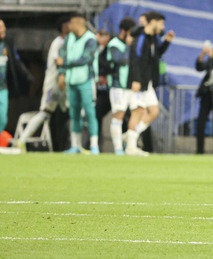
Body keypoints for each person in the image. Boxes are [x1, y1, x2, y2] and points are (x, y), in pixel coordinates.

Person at [18, 18, 71, 151]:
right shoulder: (58, 43)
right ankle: (21, 140)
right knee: (45, 112)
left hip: (63, 84)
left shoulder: (69, 42)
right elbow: (59, 62)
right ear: (64, 27)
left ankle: (71, 146)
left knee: (69, 113)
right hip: (54, 84)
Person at [126, 11, 174, 156]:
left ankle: (130, 137)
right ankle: (130, 147)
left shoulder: (152, 38)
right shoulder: (140, 38)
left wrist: (167, 42)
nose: (163, 27)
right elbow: (135, 59)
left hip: (148, 83)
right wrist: (136, 79)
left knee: (154, 112)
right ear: (153, 22)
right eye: (161, 23)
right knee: (137, 112)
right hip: (139, 81)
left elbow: (156, 55)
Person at [57, 14, 100, 155]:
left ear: (78, 24)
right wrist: (62, 73)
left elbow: (86, 58)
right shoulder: (69, 38)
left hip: (86, 80)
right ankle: (75, 145)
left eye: (71, 23)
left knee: (89, 112)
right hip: (72, 80)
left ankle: (94, 145)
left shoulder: (90, 39)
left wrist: (66, 64)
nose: (69, 26)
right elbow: (62, 55)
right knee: (73, 113)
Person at [104, 17, 136, 154]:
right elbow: (122, 60)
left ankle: (125, 141)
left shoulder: (131, 44)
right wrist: (129, 46)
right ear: (124, 31)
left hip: (130, 86)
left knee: (137, 114)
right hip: (118, 86)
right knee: (118, 116)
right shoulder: (114, 43)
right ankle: (118, 149)